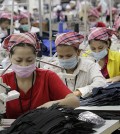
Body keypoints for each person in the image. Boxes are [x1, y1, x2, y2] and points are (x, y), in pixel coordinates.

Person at [0, 32, 80, 119]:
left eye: (29, 60)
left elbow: (74, 101)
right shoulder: (3, 81)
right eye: (18, 60)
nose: (24, 65)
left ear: (35, 57)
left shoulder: (48, 77)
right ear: (10, 57)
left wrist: (50, 105)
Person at [44, 32, 106, 98]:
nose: (65, 59)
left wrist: (79, 92)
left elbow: (101, 83)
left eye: (69, 56)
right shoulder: (50, 69)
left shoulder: (90, 66)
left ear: (78, 52)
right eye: (61, 56)